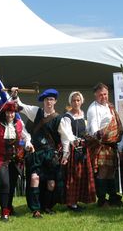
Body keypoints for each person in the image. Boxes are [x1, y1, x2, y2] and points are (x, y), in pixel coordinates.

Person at [12, 88, 75, 218]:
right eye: (46, 99)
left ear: (55, 101)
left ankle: (47, 206)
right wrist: (15, 95)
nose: (49, 102)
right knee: (34, 179)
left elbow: (65, 138)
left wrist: (65, 154)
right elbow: (20, 106)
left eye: (51, 99)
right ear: (43, 101)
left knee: (51, 183)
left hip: (51, 155)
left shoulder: (60, 119)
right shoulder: (36, 112)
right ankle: (35, 209)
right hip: (36, 154)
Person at [0, 101, 34, 222]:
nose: (10, 115)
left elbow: (25, 136)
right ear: (3, 113)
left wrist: (28, 144)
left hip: (15, 159)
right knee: (4, 184)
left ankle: (9, 207)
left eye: (12, 112)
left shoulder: (19, 123)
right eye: (8, 112)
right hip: (0, 159)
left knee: (12, 185)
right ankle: (4, 213)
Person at [86, 83, 123, 207]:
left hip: (112, 145)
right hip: (101, 144)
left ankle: (113, 197)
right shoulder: (93, 109)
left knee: (111, 171)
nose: (104, 97)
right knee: (103, 171)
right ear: (95, 95)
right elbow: (93, 128)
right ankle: (102, 200)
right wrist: (100, 133)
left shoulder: (110, 107)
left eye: (105, 94)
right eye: (101, 94)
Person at [61, 91, 96, 211]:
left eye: (78, 100)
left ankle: (78, 200)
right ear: (70, 102)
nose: (76, 102)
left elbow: (86, 131)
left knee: (82, 175)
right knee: (73, 176)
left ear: (81, 101)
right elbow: (67, 135)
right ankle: (71, 203)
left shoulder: (83, 114)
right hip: (73, 148)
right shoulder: (67, 117)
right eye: (74, 100)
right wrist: (71, 147)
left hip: (83, 148)